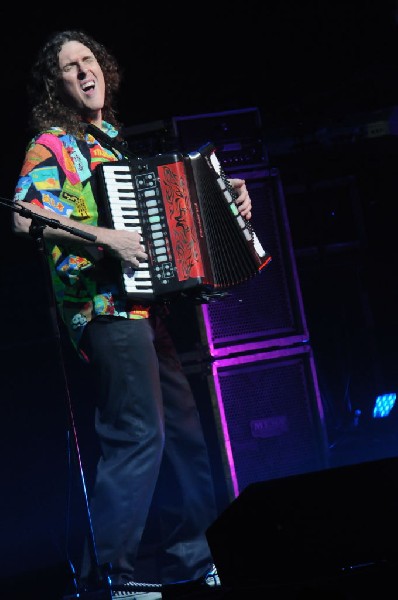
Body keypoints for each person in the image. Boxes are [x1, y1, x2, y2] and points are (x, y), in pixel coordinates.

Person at [12, 30, 253, 600]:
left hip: (141, 305)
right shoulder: (51, 146)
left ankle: (194, 557)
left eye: (89, 60)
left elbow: (170, 219)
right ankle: (110, 576)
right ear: (57, 85)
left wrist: (223, 195)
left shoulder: (111, 143)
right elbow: (23, 218)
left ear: (105, 70)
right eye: (70, 67)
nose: (84, 72)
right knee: (137, 433)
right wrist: (106, 241)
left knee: (187, 434)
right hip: (100, 307)